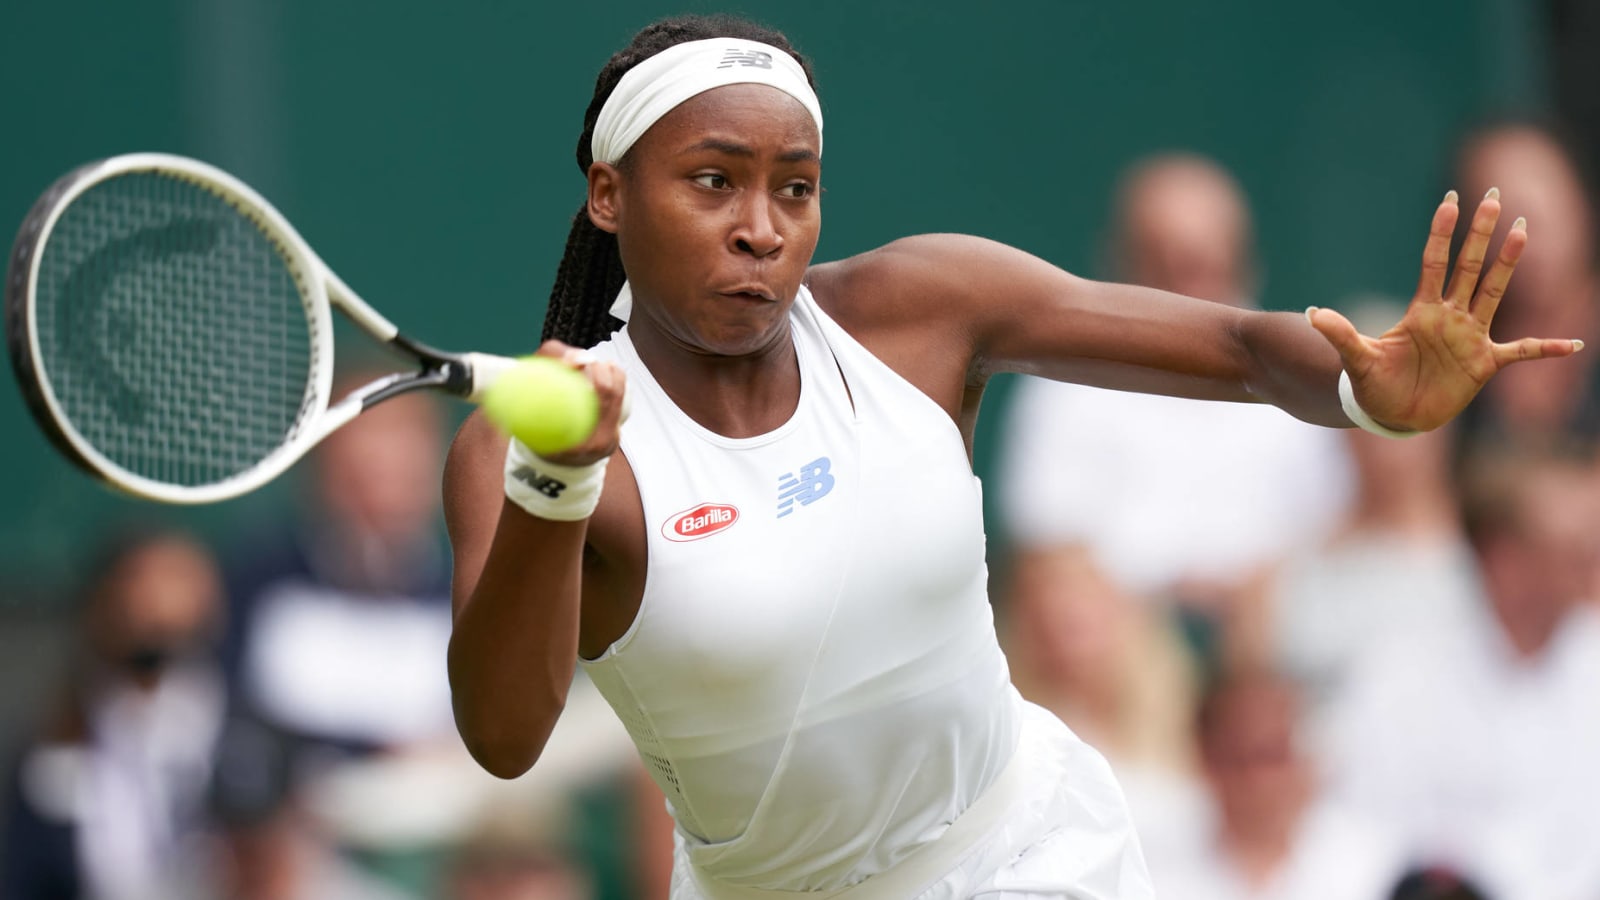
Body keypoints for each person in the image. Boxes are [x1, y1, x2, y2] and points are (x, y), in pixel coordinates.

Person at [441, 14, 1579, 899]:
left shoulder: (918, 312)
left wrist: (1363, 389)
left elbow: (1232, 342)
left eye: (795, 186)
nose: (762, 226)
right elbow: (502, 738)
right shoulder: (526, 445)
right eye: (713, 181)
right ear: (607, 193)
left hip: (1030, 855)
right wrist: (560, 483)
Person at [996, 153, 1354, 661]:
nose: (1193, 289)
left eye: (1210, 265)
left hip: (1273, 671)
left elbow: (1330, 537)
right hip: (1117, 670)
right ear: (1125, 261)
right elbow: (1048, 556)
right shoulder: (1060, 387)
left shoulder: (1298, 387)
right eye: (1168, 263)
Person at [1, 528, 226, 900]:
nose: (155, 602)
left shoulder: (243, 736)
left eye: (174, 580)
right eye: (140, 581)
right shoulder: (52, 751)